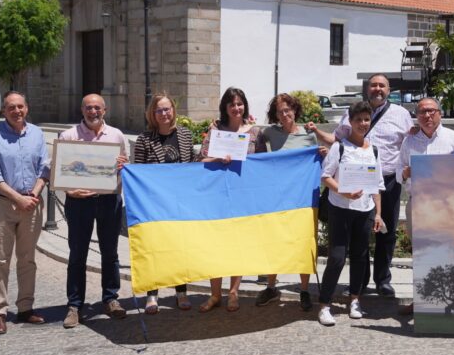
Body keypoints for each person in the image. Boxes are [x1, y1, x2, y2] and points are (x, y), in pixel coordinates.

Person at [309, 73, 413, 297]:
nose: (378, 89)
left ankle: (383, 280)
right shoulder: (351, 113)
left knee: (386, 231)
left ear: (389, 90)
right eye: (374, 85)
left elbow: (410, 142)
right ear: (367, 89)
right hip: (355, 181)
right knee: (360, 235)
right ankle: (360, 282)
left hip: (387, 180)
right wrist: (317, 134)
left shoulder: (402, 114)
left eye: (382, 85)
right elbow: (337, 140)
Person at [0, 91, 49, 335]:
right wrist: (18, 198)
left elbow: (45, 168)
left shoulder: (37, 134)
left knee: (27, 258)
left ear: (26, 108)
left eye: (20, 106)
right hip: (3, 204)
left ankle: (25, 308)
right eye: (11, 107)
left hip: (32, 203)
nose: (16, 111)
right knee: (1, 259)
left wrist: (34, 194)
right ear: (4, 111)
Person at [59, 94, 128, 329]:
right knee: (77, 255)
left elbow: (125, 166)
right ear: (82, 110)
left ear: (104, 110)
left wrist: (123, 165)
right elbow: (59, 170)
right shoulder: (68, 136)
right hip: (79, 202)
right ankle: (74, 305)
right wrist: (69, 190)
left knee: (110, 253)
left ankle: (110, 299)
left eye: (97, 108)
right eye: (88, 108)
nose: (93, 112)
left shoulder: (117, 135)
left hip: (109, 200)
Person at [254, 93, 327, 312]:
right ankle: (271, 287)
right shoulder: (269, 133)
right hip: (277, 199)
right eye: (280, 111)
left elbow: (317, 162)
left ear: (295, 110)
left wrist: (322, 155)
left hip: (303, 200)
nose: (285, 114)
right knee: (274, 241)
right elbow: (254, 144)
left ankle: (304, 290)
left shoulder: (308, 135)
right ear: (275, 115)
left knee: (304, 242)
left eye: (288, 110)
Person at [317, 102, 384, 325]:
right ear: (351, 122)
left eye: (366, 119)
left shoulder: (374, 150)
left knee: (360, 256)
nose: (363, 123)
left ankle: (355, 299)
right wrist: (343, 191)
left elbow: (377, 185)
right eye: (358, 120)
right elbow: (326, 176)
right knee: (337, 257)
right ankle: (324, 304)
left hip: (365, 210)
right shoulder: (339, 147)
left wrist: (378, 213)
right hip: (340, 209)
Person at [395, 97, 454, 315]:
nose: (427, 115)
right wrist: (405, 172)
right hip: (419, 204)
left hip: (448, 206)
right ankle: (421, 299)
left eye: (432, 111)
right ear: (417, 116)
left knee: (450, 253)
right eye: (422, 112)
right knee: (421, 255)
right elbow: (398, 172)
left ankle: (452, 301)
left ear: (440, 113)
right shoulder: (409, 142)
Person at [198, 87, 261, 313]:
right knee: (215, 245)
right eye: (232, 104)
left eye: (239, 103)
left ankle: (233, 292)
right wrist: (217, 159)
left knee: (238, 245)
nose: (236, 108)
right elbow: (201, 160)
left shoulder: (255, 132)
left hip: (243, 195)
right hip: (217, 195)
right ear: (225, 107)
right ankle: (215, 294)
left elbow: (263, 163)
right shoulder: (215, 130)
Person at [134, 93, 196, 314]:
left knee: (180, 248)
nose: (163, 113)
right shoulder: (144, 139)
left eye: (167, 109)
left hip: (180, 203)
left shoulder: (185, 135)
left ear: (173, 110)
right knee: (154, 249)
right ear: (152, 114)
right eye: (159, 110)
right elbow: (138, 172)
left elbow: (193, 166)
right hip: (154, 204)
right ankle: (152, 294)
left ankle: (181, 292)